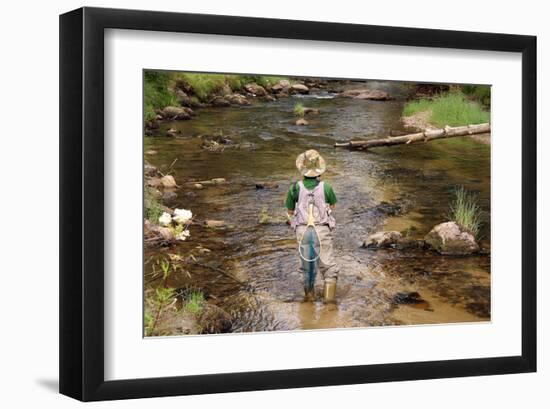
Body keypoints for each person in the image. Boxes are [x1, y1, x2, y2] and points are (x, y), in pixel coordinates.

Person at [285, 149, 339, 302]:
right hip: (321, 229)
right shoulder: (326, 187)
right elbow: (333, 205)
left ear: (302, 169)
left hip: (303, 230)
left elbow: (289, 210)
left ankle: (309, 300)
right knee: (328, 267)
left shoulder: (294, 188)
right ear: (318, 170)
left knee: (306, 268)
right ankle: (329, 304)